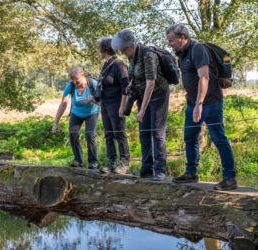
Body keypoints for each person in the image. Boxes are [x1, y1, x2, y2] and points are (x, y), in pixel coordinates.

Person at [165, 24, 238, 190]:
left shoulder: (198, 50)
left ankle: (230, 177)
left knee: (219, 138)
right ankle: (191, 173)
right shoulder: (181, 54)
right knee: (190, 138)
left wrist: (199, 103)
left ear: (182, 38)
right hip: (193, 103)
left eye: (171, 41)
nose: (169, 44)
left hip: (210, 102)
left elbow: (204, 78)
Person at [111, 29, 169, 181]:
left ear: (131, 45)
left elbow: (151, 84)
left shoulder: (148, 55)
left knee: (157, 132)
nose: (123, 53)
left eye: (123, 50)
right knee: (143, 132)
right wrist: (131, 84)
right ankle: (146, 168)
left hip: (157, 94)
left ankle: (160, 170)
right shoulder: (132, 57)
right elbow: (135, 76)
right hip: (142, 94)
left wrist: (142, 110)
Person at [52, 66, 100, 169]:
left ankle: (93, 162)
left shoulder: (93, 84)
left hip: (92, 112)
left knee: (90, 134)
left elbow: (101, 102)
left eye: (76, 79)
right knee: (72, 134)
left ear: (82, 75)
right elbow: (63, 104)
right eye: (72, 79)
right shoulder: (71, 85)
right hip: (76, 112)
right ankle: (78, 161)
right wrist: (56, 123)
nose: (74, 81)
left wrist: (91, 99)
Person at [97, 38, 131, 174]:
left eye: (99, 49)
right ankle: (111, 163)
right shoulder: (106, 65)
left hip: (116, 103)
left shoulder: (119, 65)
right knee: (108, 134)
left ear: (105, 49)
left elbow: (126, 86)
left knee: (119, 134)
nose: (98, 52)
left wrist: (123, 107)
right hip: (105, 104)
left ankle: (125, 164)